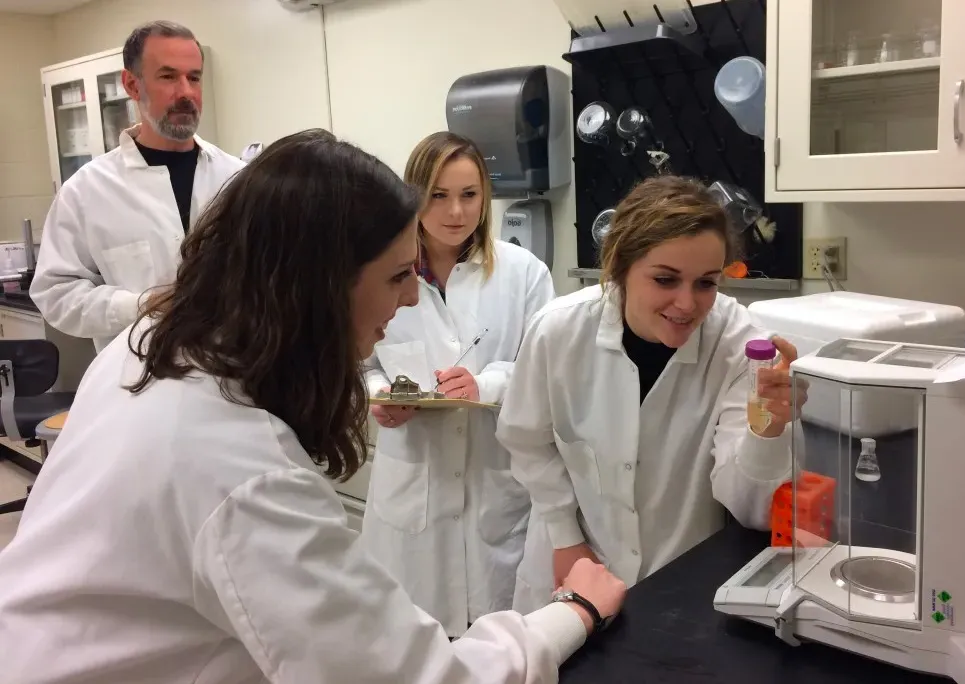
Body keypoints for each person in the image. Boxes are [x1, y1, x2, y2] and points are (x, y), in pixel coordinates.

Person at [0, 130, 625, 683]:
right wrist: (573, 613)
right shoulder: (242, 470)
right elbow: (416, 677)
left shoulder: (149, 348)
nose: (412, 300)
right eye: (394, 278)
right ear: (317, 285)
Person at [496, 175, 805, 613]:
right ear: (620, 266)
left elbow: (750, 508)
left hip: (681, 582)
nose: (686, 304)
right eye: (665, 279)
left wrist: (769, 429)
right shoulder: (558, 331)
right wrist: (565, 538)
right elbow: (527, 442)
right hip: (573, 565)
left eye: (706, 283)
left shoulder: (739, 347)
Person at [362, 131, 557, 639]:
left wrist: (487, 383)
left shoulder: (524, 274)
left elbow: (547, 373)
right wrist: (381, 394)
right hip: (413, 494)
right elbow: (358, 361)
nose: (455, 212)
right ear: (414, 196)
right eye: (439, 195)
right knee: (413, 642)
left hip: (496, 489)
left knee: (498, 641)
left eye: (469, 195)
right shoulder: (379, 271)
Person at [30, 20, 244, 351]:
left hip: (233, 380)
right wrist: (139, 305)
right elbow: (55, 294)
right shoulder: (86, 192)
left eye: (194, 78)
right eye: (168, 77)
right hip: (138, 384)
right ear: (132, 85)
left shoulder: (239, 179)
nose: (186, 92)